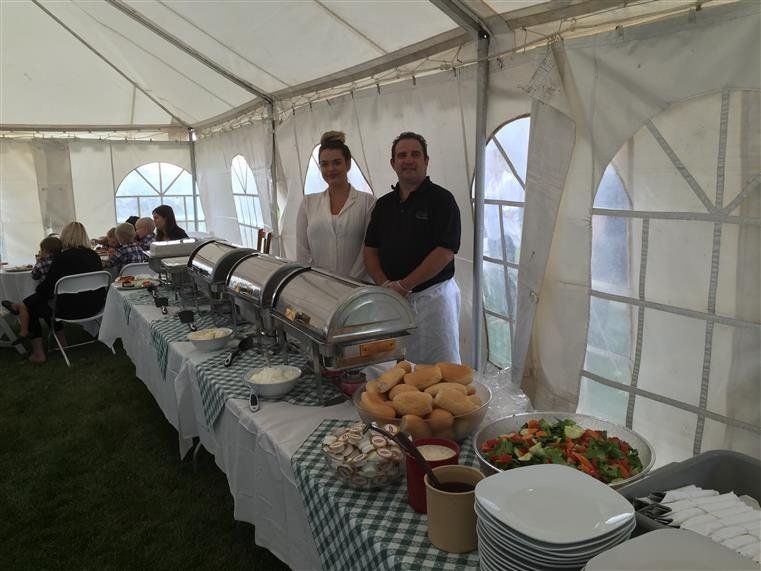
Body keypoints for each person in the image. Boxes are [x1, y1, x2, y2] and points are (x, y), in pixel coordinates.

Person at [364, 132, 462, 364]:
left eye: (415, 154)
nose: (408, 160)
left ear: (426, 160)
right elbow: (370, 249)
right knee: (395, 368)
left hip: (433, 300)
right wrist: (385, 285)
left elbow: (445, 252)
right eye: (402, 155)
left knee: (440, 367)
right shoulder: (383, 204)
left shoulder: (442, 200)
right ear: (393, 163)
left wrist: (405, 285)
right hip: (392, 298)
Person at [22, 221, 106, 363]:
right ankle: (62, 342)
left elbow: (46, 290)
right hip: (95, 307)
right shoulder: (94, 255)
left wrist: (37, 291)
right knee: (37, 301)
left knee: (31, 306)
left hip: (68, 310)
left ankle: (38, 354)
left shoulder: (61, 258)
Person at [296, 131, 375, 280]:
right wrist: (312, 281)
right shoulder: (308, 203)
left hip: (357, 287)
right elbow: (302, 252)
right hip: (317, 287)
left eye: (337, 162)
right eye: (324, 164)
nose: (330, 169)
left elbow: (367, 251)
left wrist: (347, 283)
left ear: (348, 163)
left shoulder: (368, 203)